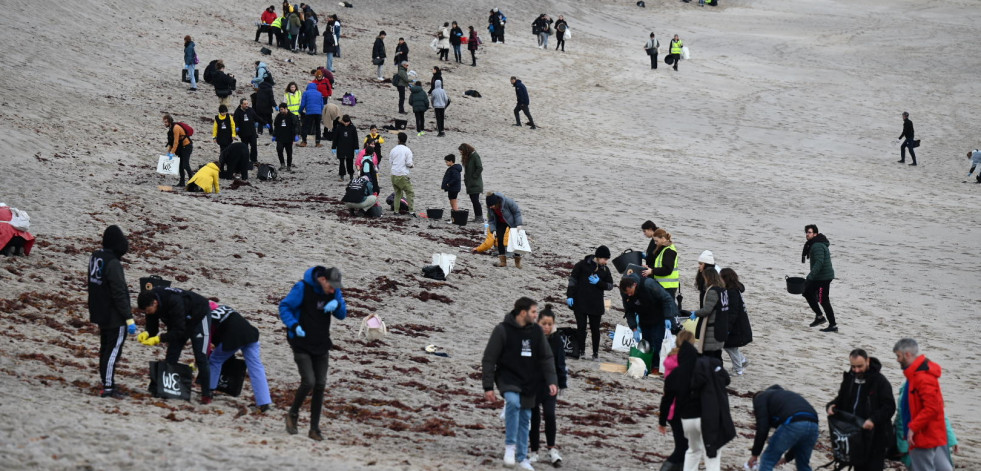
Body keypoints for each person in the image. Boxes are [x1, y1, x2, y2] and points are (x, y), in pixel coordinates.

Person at [481, 297, 558, 471]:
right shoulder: (502, 330)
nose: (536, 315)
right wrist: (488, 386)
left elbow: (546, 357)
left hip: (529, 381)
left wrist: (552, 381)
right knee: (513, 403)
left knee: (526, 418)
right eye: (533, 312)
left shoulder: (536, 333)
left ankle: (523, 458)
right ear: (523, 312)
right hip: (507, 378)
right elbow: (489, 358)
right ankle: (510, 448)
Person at [278, 266, 347, 441]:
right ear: (322, 280)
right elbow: (284, 307)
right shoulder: (303, 288)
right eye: (331, 286)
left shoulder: (334, 291)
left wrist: (337, 304)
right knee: (309, 381)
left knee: (320, 384)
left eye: (336, 288)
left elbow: (342, 315)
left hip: (321, 342)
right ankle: (292, 414)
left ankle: (314, 428)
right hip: (300, 341)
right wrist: (294, 325)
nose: (333, 290)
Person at [136, 287, 214, 404]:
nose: (147, 313)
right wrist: (147, 333)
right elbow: (153, 327)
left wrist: (159, 338)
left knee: (201, 356)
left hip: (198, 316)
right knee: (172, 353)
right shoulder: (150, 302)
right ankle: (164, 388)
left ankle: (206, 395)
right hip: (179, 320)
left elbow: (179, 331)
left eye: (148, 310)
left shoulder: (173, 300)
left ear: (155, 303)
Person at [826, 349, 896, 471]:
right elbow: (841, 399)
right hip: (855, 436)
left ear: (867, 361)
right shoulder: (850, 379)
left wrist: (873, 419)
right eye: (853, 366)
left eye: (860, 366)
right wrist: (832, 405)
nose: (856, 370)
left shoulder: (880, 381)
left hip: (876, 437)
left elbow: (889, 407)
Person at [87, 225, 136, 398]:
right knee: (113, 351)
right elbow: (119, 292)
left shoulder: (96, 257)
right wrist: (128, 317)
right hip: (114, 315)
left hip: (100, 311)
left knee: (105, 349)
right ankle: (108, 387)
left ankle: (107, 382)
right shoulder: (113, 263)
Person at [893, 338, 951, 471]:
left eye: (898, 356)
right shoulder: (917, 374)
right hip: (930, 433)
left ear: (907, 354)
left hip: (923, 434)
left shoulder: (922, 377)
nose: (897, 360)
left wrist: (913, 428)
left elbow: (932, 407)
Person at [206, 303, 271, 411]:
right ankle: (264, 402)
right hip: (250, 334)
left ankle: (209, 390)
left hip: (233, 338)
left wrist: (207, 355)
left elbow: (207, 340)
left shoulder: (208, 318)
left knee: (215, 360)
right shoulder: (225, 307)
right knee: (256, 367)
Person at [747, 385, 820, 471]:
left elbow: (762, 428)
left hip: (793, 421)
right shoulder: (786, 397)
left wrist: (755, 454)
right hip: (814, 424)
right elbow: (799, 442)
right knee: (803, 464)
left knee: (768, 459)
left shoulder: (761, 398)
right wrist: (787, 458)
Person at [529, 305, 567, 467]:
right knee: (534, 417)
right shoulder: (530, 337)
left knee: (550, 415)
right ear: (538, 323)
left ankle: (551, 448)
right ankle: (534, 451)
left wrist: (562, 383)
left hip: (550, 384)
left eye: (549, 324)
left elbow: (560, 363)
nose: (547, 327)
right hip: (532, 384)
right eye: (544, 323)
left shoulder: (556, 339)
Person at [619, 273, 677, 372]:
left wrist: (668, 317)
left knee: (657, 342)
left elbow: (666, 299)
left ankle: (657, 366)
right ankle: (648, 365)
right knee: (647, 344)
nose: (629, 295)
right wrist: (634, 328)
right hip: (644, 319)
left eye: (630, 292)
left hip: (659, 317)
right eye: (627, 293)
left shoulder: (649, 284)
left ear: (634, 285)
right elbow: (629, 312)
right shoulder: (625, 294)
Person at [566, 246, 614, 361]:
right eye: (604, 259)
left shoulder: (605, 270)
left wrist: (599, 283)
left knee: (595, 329)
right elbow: (572, 281)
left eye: (607, 259)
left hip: (596, 304)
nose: (605, 262)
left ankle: (595, 353)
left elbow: (610, 286)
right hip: (580, 302)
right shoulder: (581, 265)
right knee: (581, 328)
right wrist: (569, 296)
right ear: (598, 257)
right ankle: (581, 351)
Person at [657, 330, 695, 471]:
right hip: (680, 407)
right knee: (683, 448)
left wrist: (662, 420)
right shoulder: (686, 362)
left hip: (671, 407)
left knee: (683, 446)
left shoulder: (670, 358)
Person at [682, 267, 726, 358]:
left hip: (712, 327)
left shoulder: (712, 291)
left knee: (710, 353)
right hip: (721, 324)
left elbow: (707, 310)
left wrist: (696, 313)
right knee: (717, 352)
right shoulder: (722, 290)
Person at [802, 224, 836, 332]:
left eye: (809, 232)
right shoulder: (816, 243)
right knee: (807, 292)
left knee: (823, 300)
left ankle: (833, 325)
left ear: (815, 234)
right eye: (806, 232)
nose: (807, 234)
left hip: (823, 278)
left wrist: (810, 276)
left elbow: (819, 262)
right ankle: (819, 317)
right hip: (820, 276)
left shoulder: (817, 246)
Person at [719, 268, 752, 375]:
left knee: (729, 345)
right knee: (731, 346)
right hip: (738, 324)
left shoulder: (732, 292)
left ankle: (738, 369)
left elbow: (732, 312)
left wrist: (727, 328)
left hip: (737, 326)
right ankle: (742, 361)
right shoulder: (734, 290)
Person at [486, 192, 524, 268]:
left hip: (511, 222)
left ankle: (517, 262)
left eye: (493, 205)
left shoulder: (508, 202)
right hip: (500, 222)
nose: (491, 207)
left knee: (515, 240)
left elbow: (517, 212)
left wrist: (518, 224)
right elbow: (491, 220)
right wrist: (493, 230)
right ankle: (503, 261)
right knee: (499, 238)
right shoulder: (490, 207)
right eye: (490, 206)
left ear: (497, 202)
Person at [643, 228, 679, 298]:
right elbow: (661, 267)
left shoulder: (669, 251)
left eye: (656, 241)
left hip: (668, 287)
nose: (655, 243)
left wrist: (652, 271)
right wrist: (650, 269)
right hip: (664, 285)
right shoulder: (664, 249)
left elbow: (667, 269)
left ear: (662, 238)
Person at [163, 114, 193, 187]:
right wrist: (168, 152)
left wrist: (172, 153)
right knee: (180, 166)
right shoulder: (170, 129)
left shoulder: (175, 128)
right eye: (164, 122)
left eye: (166, 122)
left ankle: (192, 181)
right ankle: (182, 182)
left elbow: (176, 142)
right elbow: (171, 142)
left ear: (170, 121)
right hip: (181, 148)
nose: (165, 124)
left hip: (187, 147)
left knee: (185, 165)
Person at [389, 132, 415, 215]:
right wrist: (412, 166)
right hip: (402, 175)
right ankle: (411, 211)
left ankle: (396, 211)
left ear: (398, 140)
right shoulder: (408, 150)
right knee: (410, 192)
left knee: (398, 193)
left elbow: (391, 162)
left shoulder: (393, 149)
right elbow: (409, 163)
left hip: (393, 174)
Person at [459, 143, 483, 221]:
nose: (461, 153)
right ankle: (477, 217)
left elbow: (479, 168)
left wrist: (474, 177)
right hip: (470, 183)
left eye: (462, 151)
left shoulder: (475, 156)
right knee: (474, 200)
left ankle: (479, 217)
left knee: (475, 200)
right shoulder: (468, 157)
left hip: (475, 183)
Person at [331, 114, 359, 181]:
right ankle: (342, 175)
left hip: (350, 147)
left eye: (347, 122)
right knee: (341, 162)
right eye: (345, 122)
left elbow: (355, 138)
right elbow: (335, 138)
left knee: (350, 161)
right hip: (341, 147)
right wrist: (333, 147)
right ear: (342, 121)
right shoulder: (339, 127)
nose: (346, 123)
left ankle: (351, 175)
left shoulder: (353, 128)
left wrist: (356, 148)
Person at [233, 99, 260, 165]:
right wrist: (236, 128)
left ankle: (254, 160)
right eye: (245, 104)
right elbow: (235, 121)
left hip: (252, 132)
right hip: (243, 133)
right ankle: (245, 160)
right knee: (245, 147)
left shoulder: (250, 110)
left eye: (247, 103)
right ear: (241, 104)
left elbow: (256, 117)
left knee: (254, 146)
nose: (246, 105)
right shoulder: (237, 112)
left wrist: (264, 123)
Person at [273, 103, 298, 171]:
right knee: (279, 149)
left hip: (289, 137)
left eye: (282, 109)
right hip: (280, 137)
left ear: (286, 108)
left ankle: (289, 166)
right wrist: (274, 135)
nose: (280, 111)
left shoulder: (292, 116)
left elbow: (295, 126)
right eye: (280, 109)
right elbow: (276, 126)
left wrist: (295, 135)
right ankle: (282, 164)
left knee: (289, 152)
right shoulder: (279, 116)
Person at [298, 82, 323, 147]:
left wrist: (300, 111)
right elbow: (322, 105)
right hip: (318, 113)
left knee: (305, 127)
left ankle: (304, 141)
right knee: (318, 127)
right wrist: (320, 111)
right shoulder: (319, 94)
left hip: (309, 112)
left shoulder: (306, 93)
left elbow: (303, 104)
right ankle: (317, 142)